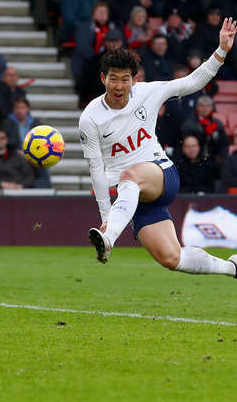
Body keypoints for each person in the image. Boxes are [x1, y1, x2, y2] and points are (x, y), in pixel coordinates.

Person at [80, 20, 237, 283]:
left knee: (129, 175)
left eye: (125, 79)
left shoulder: (148, 93)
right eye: (113, 79)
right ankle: (231, 267)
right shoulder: (90, 118)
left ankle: (109, 240)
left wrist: (221, 51)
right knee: (171, 258)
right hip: (133, 198)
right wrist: (106, 217)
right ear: (102, 79)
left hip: (161, 174)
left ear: (135, 79)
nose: (119, 86)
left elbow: (192, 82)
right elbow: (96, 169)